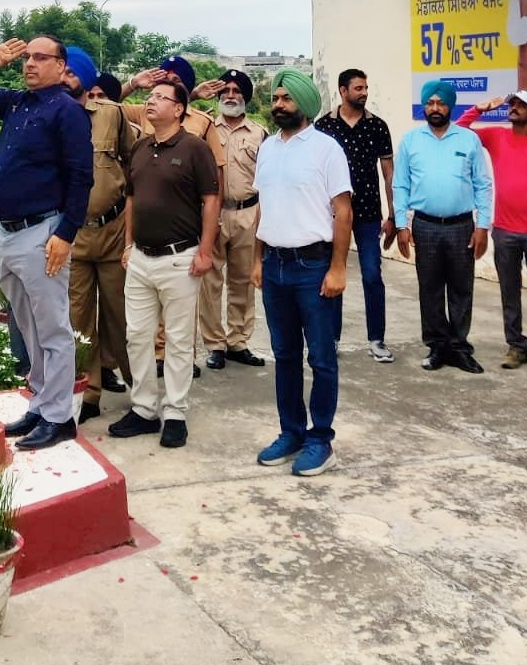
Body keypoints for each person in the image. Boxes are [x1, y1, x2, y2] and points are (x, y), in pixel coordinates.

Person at [0, 35, 94, 449]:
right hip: (9, 233)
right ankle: (40, 403)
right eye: (27, 57)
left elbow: (81, 176)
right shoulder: (18, 103)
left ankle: (59, 417)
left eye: (41, 57)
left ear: (61, 66)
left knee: (52, 328)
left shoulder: (67, 111)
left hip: (43, 234)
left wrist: (66, 233)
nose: (30, 64)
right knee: (28, 326)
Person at [108, 81, 220, 449]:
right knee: (137, 337)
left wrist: (205, 251)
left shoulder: (194, 148)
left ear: (179, 109)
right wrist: (128, 245)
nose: (150, 101)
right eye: (150, 96)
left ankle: (175, 412)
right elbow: (131, 199)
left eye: (160, 97)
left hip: (180, 259)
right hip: (141, 258)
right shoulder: (141, 148)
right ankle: (143, 409)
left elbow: (211, 200)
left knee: (178, 340)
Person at [252, 69, 351, 478]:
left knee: (322, 358)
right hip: (274, 265)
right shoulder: (268, 148)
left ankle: (320, 440)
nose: (278, 104)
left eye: (287, 98)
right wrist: (257, 259)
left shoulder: (327, 149)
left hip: (314, 266)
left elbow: (343, 211)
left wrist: (338, 268)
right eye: (275, 98)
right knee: (285, 355)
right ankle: (291, 432)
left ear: (304, 104)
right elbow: (263, 206)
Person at [459, 92, 527, 372]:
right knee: (509, 292)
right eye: (512, 104)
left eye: (522, 106)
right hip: (505, 230)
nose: (514, 108)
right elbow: (459, 132)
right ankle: (516, 346)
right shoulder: (496, 136)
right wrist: (479, 109)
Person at [393, 80, 491, 373]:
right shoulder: (411, 141)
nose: (435, 108)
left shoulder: (468, 139)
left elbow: (483, 184)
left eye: (441, 103)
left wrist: (483, 226)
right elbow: (400, 185)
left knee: (462, 288)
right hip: (425, 226)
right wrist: (401, 224)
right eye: (430, 103)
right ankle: (437, 345)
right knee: (430, 288)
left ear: (451, 106)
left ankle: (459, 348)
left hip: (462, 226)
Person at [61, 46, 137, 423]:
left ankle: (139, 389)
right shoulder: (52, 117)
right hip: (72, 235)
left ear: (86, 77)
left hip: (112, 231)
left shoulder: (112, 115)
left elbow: (132, 162)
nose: (66, 79)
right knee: (78, 319)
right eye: (62, 72)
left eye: (72, 72)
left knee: (120, 314)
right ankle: (87, 393)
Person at [315, 68, 396, 362]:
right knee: (332, 273)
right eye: (358, 88)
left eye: (365, 88)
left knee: (372, 275)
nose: (364, 93)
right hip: (333, 215)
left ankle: (377, 340)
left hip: (369, 214)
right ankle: (331, 339)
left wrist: (394, 215)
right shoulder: (323, 126)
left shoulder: (377, 126)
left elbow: (389, 174)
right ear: (343, 91)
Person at [200, 69, 267, 370]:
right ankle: (215, 344)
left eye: (236, 91)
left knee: (243, 280)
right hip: (212, 213)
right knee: (210, 281)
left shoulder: (259, 133)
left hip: (247, 213)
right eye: (225, 90)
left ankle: (238, 342)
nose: (230, 95)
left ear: (245, 97)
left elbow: (267, 179)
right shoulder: (206, 128)